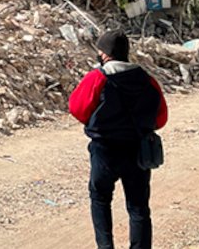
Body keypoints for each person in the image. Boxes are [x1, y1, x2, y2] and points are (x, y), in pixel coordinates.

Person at [69, 30, 168, 249]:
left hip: (104, 150)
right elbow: (161, 117)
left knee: (101, 199)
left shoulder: (97, 78)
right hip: (138, 151)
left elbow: (77, 108)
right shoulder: (147, 80)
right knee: (139, 207)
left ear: (104, 54)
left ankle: (105, 246)